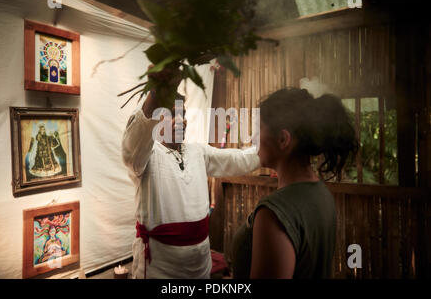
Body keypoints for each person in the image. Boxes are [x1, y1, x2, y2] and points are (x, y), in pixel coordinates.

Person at [121, 72, 260, 279]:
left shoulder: (197, 152)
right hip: (159, 269)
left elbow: (236, 159)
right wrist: (157, 90)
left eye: (182, 114)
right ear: (155, 122)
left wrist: (265, 150)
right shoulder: (144, 157)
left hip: (200, 266)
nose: (181, 121)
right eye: (170, 114)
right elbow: (133, 140)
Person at [232, 88, 358, 279]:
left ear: (283, 139)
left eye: (258, 130)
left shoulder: (273, 214)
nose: (253, 138)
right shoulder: (321, 193)